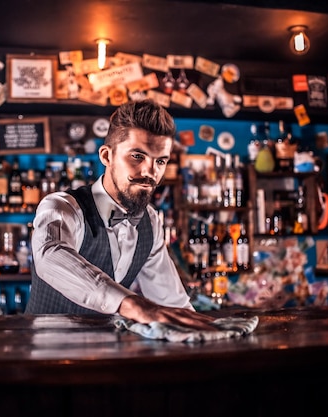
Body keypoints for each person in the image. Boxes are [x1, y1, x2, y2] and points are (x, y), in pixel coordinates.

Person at [25, 99, 216, 330]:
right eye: (137, 156)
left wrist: (213, 332)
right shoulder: (62, 207)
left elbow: (172, 302)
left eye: (161, 161)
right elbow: (50, 255)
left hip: (108, 355)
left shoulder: (151, 221)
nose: (150, 172)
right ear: (107, 156)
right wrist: (131, 305)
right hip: (46, 356)